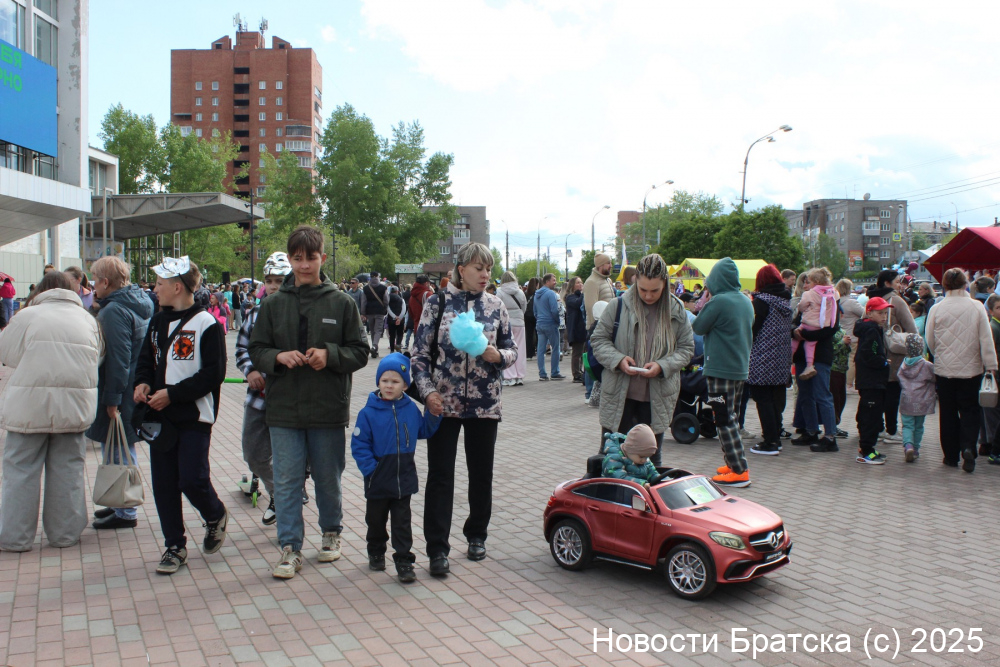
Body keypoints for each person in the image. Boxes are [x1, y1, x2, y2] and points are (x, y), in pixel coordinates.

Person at [249, 226, 371, 579]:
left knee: (327, 478)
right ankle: (290, 547)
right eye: (298, 258)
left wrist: (329, 355)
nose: (304, 265)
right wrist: (278, 357)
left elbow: (360, 351)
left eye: (311, 258)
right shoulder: (272, 304)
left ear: (323, 258)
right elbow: (256, 349)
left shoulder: (342, 303)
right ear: (290, 260)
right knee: (287, 481)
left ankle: (331, 532)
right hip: (283, 409)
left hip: (327, 408)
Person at [411, 242, 517, 577]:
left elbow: (512, 349)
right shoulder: (437, 303)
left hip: (485, 405)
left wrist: (498, 356)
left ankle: (476, 535)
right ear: (461, 269)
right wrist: (428, 393)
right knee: (440, 476)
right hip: (444, 404)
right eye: (478, 268)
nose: (485, 275)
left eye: (489, 269)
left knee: (481, 473)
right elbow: (419, 356)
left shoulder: (496, 305)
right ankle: (437, 548)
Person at [133, 256, 228, 574]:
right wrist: (143, 383)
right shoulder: (157, 321)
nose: (154, 289)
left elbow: (213, 373)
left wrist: (172, 394)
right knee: (164, 484)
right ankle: (174, 546)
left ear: (177, 287)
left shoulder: (206, 323)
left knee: (192, 478)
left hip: (194, 416)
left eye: (159, 284)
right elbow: (146, 360)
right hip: (160, 417)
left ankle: (214, 514)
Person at [0, 272, 102, 552]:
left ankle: (15, 538)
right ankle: (64, 535)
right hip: (74, 407)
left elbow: (6, 354)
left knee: (20, 472)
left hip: (28, 407)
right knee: (68, 470)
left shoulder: (27, 316)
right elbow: (98, 357)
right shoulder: (88, 320)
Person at [591, 254, 695, 468]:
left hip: (657, 398)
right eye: (643, 289)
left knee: (650, 465)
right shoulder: (618, 305)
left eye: (655, 290)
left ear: (665, 283)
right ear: (635, 281)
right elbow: (598, 340)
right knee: (612, 461)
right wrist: (619, 360)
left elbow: (686, 349)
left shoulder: (676, 309)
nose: (648, 296)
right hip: (619, 396)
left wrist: (662, 366)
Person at [351, 353, 441, 583]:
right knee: (376, 520)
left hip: (404, 478)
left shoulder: (410, 409)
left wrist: (433, 415)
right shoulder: (367, 413)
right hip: (378, 479)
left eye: (395, 381)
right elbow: (359, 445)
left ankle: (404, 560)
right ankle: (376, 550)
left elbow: (423, 431)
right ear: (378, 382)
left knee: (402, 523)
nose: (389, 386)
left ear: (405, 385)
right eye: (384, 381)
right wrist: (372, 470)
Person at [86, 256, 154, 530]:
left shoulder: (114, 311)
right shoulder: (137, 302)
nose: (92, 286)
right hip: (131, 386)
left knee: (118, 450)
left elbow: (118, 359)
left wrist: (112, 399)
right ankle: (119, 503)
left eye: (94, 280)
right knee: (119, 447)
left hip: (121, 390)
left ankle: (126, 510)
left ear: (105, 282)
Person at [235, 252, 292, 527]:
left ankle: (286, 500)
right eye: (269, 281)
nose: (273, 286)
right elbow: (241, 349)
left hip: (289, 400)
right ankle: (280, 494)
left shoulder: (299, 312)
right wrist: (251, 370)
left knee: (288, 457)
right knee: (253, 455)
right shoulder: (254, 313)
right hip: (258, 399)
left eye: (279, 281)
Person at [925, 268, 999, 473]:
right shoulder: (976, 307)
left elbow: (930, 339)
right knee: (970, 410)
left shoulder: (937, 308)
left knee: (947, 412)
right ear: (965, 284)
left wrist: (939, 355)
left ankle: (950, 455)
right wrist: (991, 365)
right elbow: (986, 338)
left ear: (945, 285)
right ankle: (968, 447)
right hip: (972, 369)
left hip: (945, 369)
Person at [691, 258, 754, 486]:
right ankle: (731, 461)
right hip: (739, 368)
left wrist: (705, 299)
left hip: (720, 370)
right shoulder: (745, 301)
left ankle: (739, 469)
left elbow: (698, 327)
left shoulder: (718, 302)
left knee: (723, 419)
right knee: (732, 416)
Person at [746, 265, 792, 456]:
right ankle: (776, 436)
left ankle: (770, 441)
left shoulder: (761, 303)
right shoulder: (786, 302)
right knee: (775, 400)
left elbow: (752, 331)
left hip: (762, 359)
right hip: (781, 359)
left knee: (763, 400)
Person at [867, 270, 917, 445]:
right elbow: (912, 329)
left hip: (875, 353)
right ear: (887, 283)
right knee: (893, 393)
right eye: (897, 282)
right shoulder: (896, 301)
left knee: (879, 394)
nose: (900, 285)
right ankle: (892, 430)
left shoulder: (871, 299)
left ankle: (879, 428)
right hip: (893, 354)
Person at [854, 296, 892, 464]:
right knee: (870, 416)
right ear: (869, 313)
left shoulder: (872, 329)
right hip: (871, 381)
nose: (884, 316)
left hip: (871, 380)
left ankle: (867, 447)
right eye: (880, 313)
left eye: (885, 313)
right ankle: (866, 451)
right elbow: (869, 353)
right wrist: (882, 362)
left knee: (871, 415)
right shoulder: (871, 330)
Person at [898, 333, 935, 463]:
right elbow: (934, 378)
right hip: (921, 401)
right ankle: (915, 449)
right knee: (918, 426)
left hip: (906, 400)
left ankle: (908, 445)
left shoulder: (904, 365)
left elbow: (899, 378)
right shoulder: (927, 365)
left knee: (907, 425)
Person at [498, 271, 527, 386]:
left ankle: (509, 376)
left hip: (507, 323)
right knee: (520, 349)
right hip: (519, 322)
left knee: (508, 348)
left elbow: (497, 307)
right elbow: (524, 307)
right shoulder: (520, 292)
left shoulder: (500, 291)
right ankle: (520, 376)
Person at [533, 273, 564, 380]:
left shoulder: (536, 294)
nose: (555, 282)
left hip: (540, 324)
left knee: (541, 350)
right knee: (555, 348)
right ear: (547, 281)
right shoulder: (551, 294)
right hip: (550, 323)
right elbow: (554, 310)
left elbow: (535, 311)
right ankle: (555, 372)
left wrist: (539, 319)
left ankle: (542, 374)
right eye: (553, 280)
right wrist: (557, 321)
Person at [837, 278, 864, 390]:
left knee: (842, 359)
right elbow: (864, 313)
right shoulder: (852, 303)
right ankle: (849, 383)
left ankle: (842, 382)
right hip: (853, 335)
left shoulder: (837, 302)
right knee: (852, 359)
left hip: (841, 335)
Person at [361, 271, 389, 359]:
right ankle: (374, 346)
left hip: (369, 311)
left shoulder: (366, 288)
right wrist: (385, 308)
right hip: (380, 311)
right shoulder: (383, 288)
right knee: (378, 330)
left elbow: (363, 301)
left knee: (372, 330)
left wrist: (363, 313)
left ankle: (374, 349)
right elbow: (386, 300)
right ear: (378, 277)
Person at [565, 276, 587, 383]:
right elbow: (577, 304)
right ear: (572, 285)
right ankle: (576, 374)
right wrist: (583, 294)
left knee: (583, 352)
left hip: (583, 328)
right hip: (575, 328)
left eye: (581, 282)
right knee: (577, 352)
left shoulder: (579, 296)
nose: (581, 284)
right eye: (578, 283)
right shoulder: (570, 297)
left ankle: (581, 372)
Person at [408, 275, 433, 348]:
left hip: (416, 327)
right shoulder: (428, 294)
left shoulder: (412, 296)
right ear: (426, 283)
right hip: (427, 328)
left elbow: (411, 313)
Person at [386, 285, 406, 354]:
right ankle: (398, 344)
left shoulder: (388, 300)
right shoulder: (401, 299)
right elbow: (404, 309)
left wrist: (394, 317)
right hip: (401, 320)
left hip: (391, 320)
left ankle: (392, 349)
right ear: (397, 292)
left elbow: (388, 309)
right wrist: (399, 318)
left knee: (392, 335)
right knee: (400, 334)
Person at [524, 277, 539, 360]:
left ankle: (529, 354)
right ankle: (539, 352)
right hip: (536, 315)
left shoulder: (525, 293)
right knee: (538, 334)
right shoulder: (538, 293)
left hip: (527, 316)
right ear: (537, 284)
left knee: (529, 335)